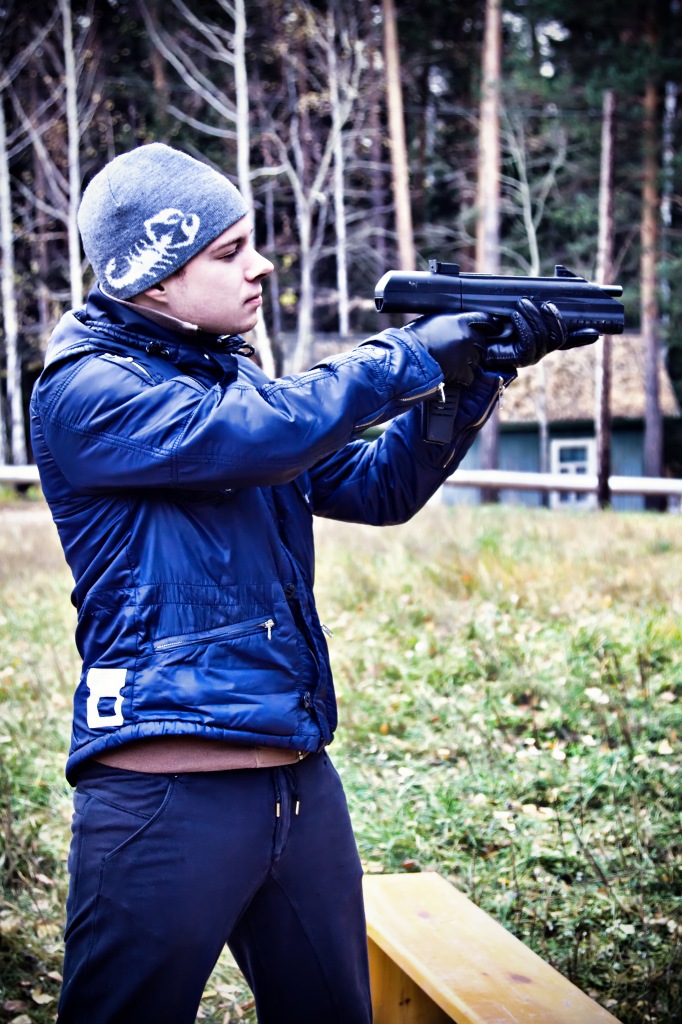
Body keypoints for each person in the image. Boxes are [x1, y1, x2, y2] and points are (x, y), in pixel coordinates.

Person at [30, 142, 597, 1024]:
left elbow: (378, 488)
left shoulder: (232, 380)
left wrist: (471, 377)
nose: (260, 266)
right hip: (164, 795)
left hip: (299, 784)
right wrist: (409, 355)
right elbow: (265, 433)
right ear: (154, 277)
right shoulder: (88, 393)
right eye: (229, 252)